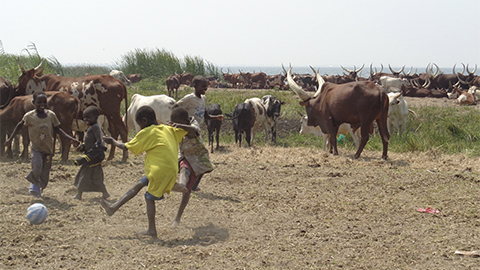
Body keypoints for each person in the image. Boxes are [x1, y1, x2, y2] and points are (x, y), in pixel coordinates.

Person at [100, 106, 197, 238]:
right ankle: (113, 208)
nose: (140, 127)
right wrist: (179, 125)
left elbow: (126, 146)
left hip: (159, 171)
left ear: (144, 121)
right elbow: (195, 132)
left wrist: (113, 142)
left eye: (139, 124)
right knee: (138, 184)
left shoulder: (147, 132)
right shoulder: (168, 129)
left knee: (148, 197)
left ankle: (152, 230)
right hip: (171, 169)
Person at [4, 92, 80, 197]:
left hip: (48, 149)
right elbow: (19, 125)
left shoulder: (51, 115)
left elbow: (58, 129)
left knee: (45, 174)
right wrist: (10, 139)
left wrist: (71, 139)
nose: (42, 104)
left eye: (44, 102)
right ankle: (33, 184)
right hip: (36, 148)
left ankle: (40, 188)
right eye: (39, 102)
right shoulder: (29, 116)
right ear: (33, 103)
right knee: (37, 167)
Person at [73, 106, 109, 200]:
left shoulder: (95, 127)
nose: (86, 120)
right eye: (85, 117)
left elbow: (98, 141)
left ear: (96, 117)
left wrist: (87, 157)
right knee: (92, 177)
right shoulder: (91, 127)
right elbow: (90, 141)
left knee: (86, 176)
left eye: (88, 117)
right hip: (91, 156)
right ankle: (104, 193)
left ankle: (79, 195)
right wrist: (83, 146)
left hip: (94, 157)